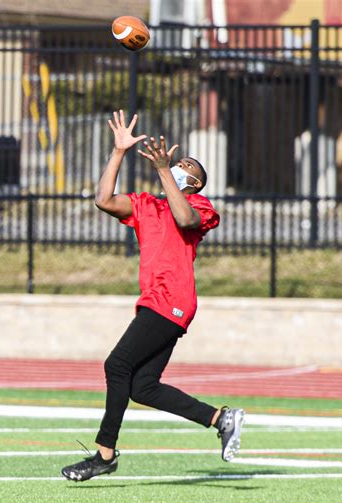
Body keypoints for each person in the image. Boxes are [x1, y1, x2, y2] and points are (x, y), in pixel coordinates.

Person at [61, 110, 244, 482]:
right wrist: (118, 152)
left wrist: (163, 171)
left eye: (185, 166)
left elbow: (185, 220)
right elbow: (103, 199)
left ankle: (104, 454)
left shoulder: (200, 206)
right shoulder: (147, 204)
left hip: (172, 300)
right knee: (143, 386)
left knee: (116, 365)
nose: (178, 165)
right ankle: (220, 418)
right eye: (177, 163)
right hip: (155, 301)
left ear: (195, 183)